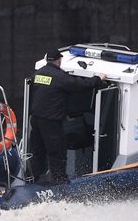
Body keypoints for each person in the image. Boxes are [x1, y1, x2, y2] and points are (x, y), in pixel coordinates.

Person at [27, 47, 105, 184]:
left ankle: (36, 179)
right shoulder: (60, 77)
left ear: (46, 60)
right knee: (57, 151)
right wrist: (98, 79)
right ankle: (60, 181)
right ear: (59, 60)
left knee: (37, 150)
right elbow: (81, 85)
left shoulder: (38, 74)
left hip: (36, 119)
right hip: (51, 122)